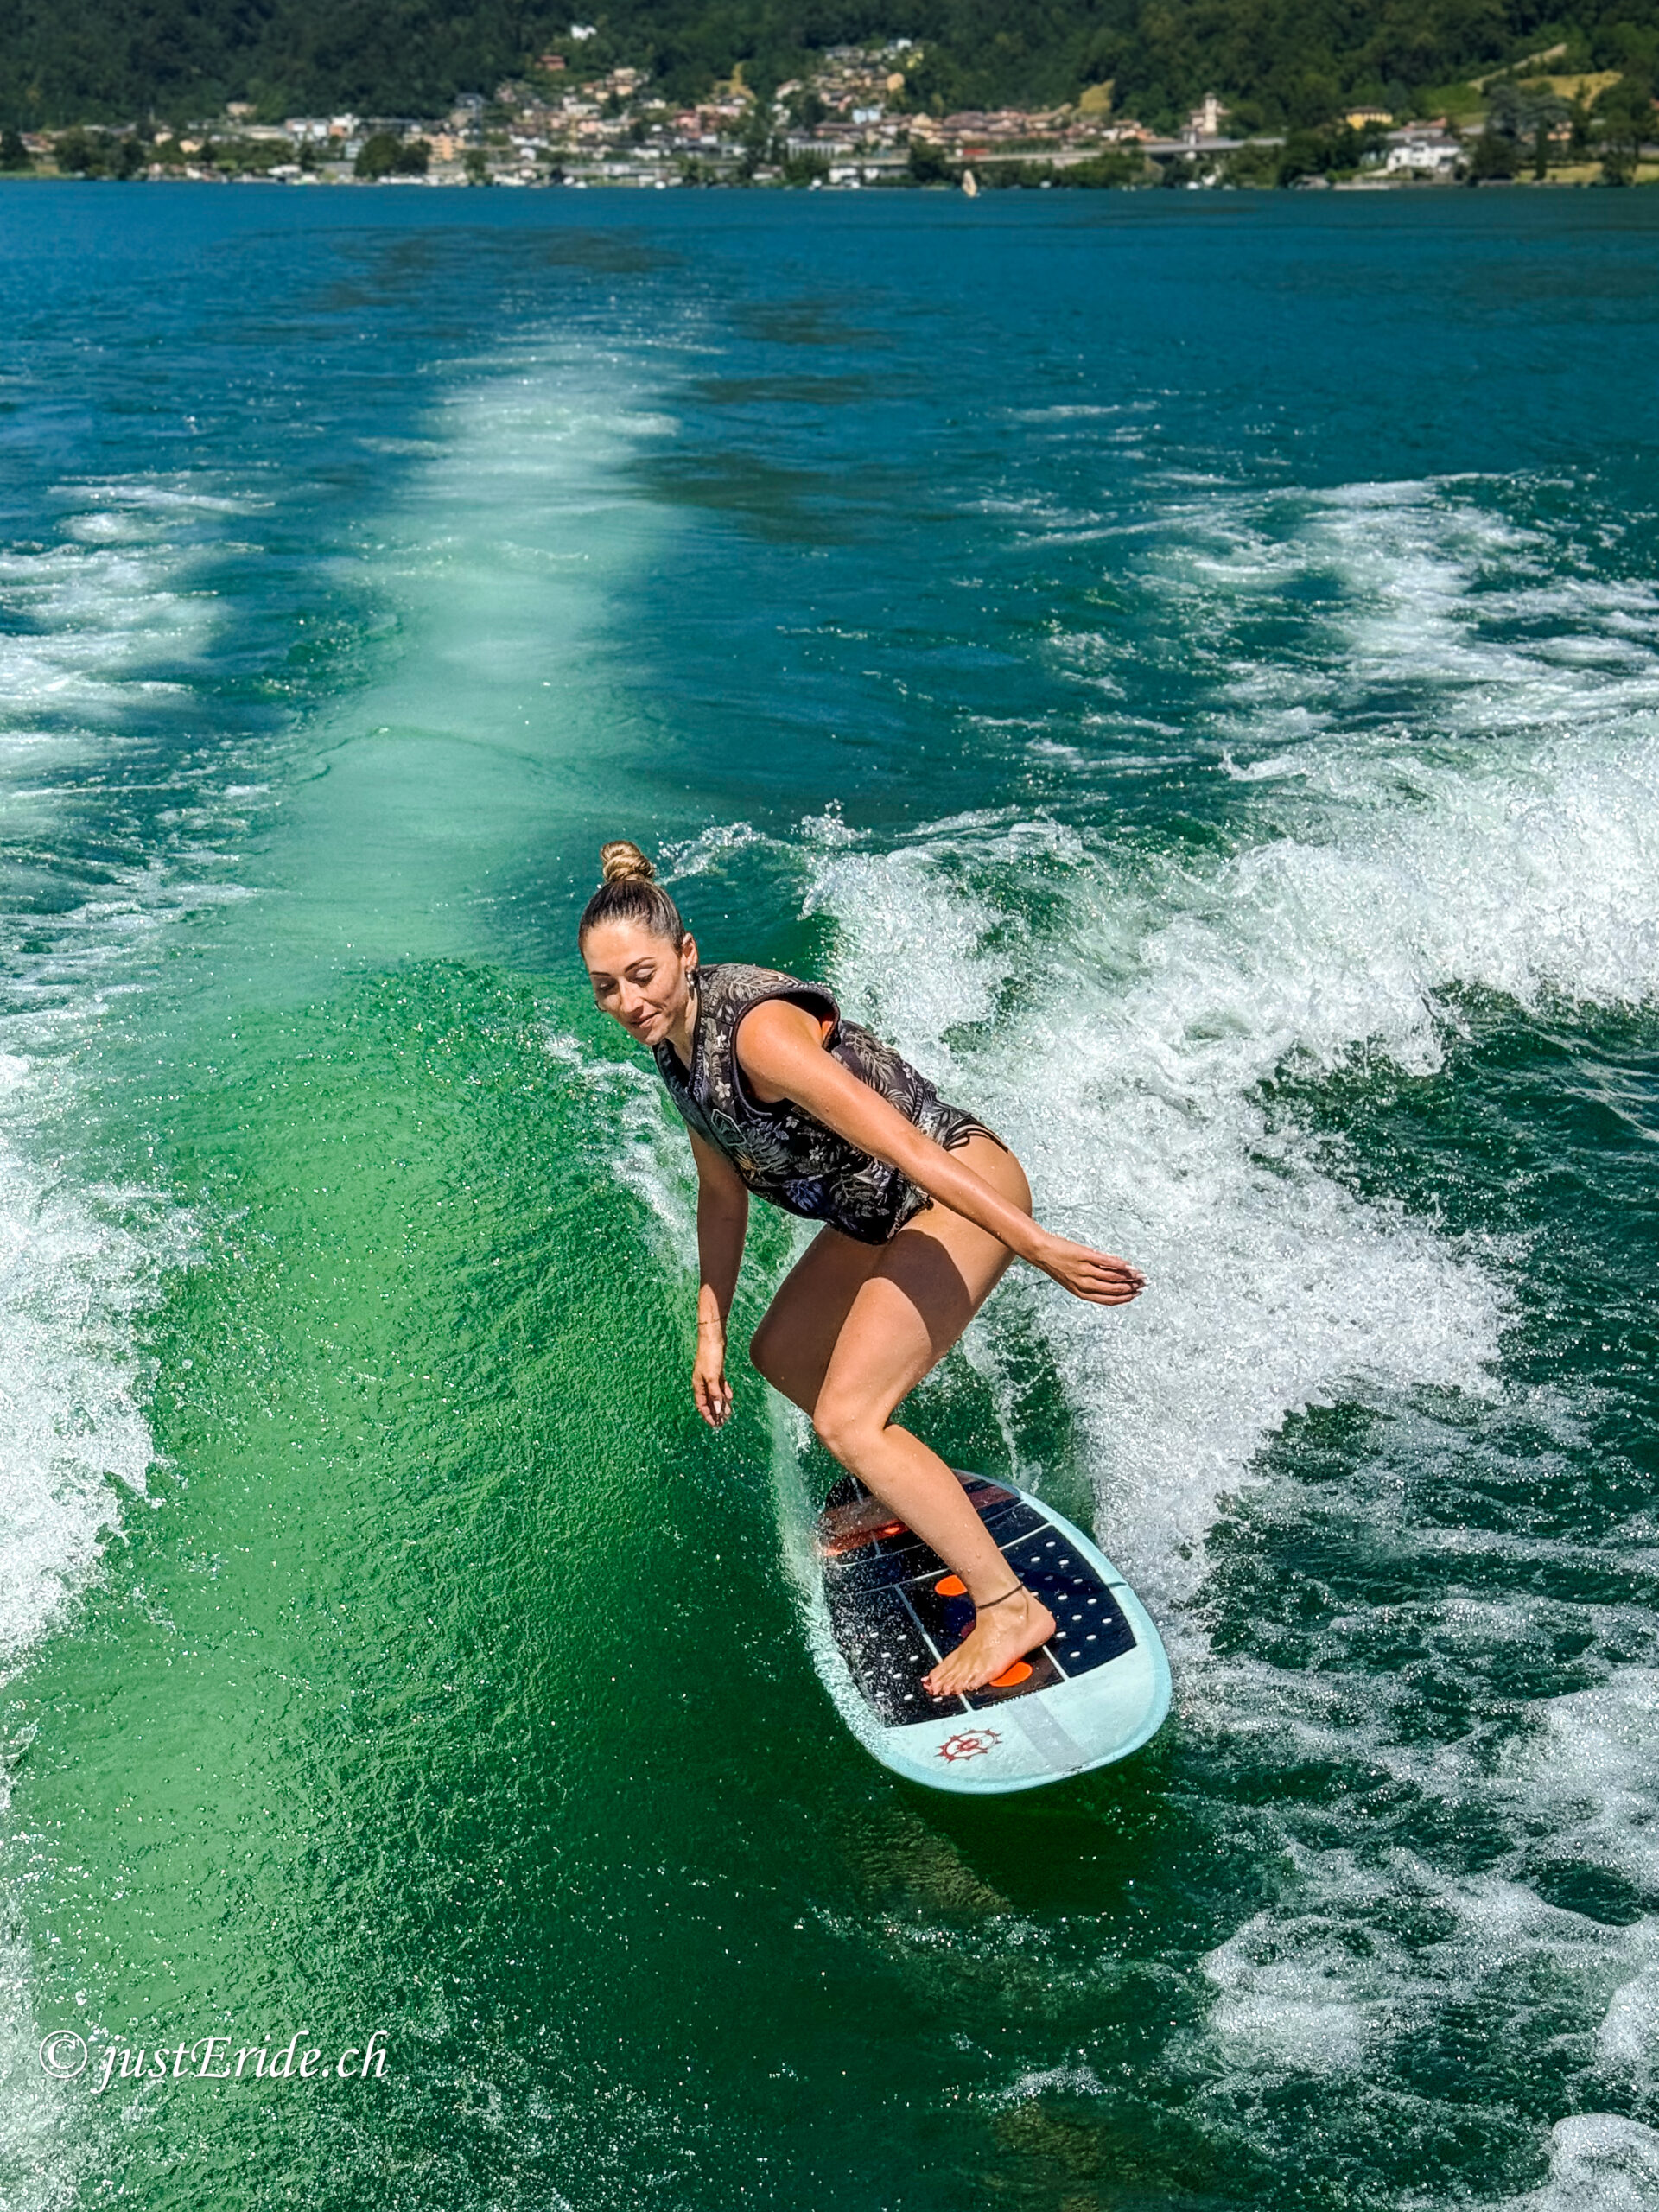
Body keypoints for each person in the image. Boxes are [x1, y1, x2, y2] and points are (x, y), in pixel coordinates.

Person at [578, 840, 1145, 1698]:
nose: (628, 1001)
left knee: (848, 1419)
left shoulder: (759, 1036)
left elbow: (908, 1146)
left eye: (642, 975)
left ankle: (1009, 1606)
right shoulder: (674, 1049)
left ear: (686, 954)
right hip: (878, 1212)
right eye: (607, 988)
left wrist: (1037, 1246)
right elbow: (721, 1194)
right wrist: (710, 1330)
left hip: (951, 1188)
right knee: (784, 1354)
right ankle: (904, 1488)